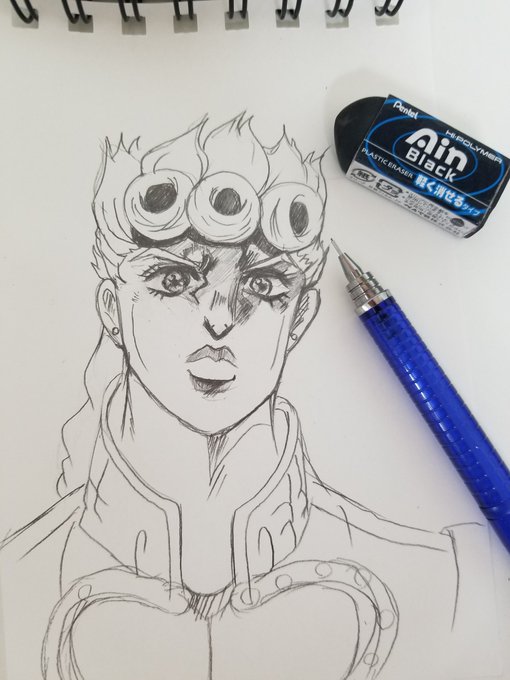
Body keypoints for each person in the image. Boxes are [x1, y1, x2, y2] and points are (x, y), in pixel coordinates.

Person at [0, 115, 482, 680]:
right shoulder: (16, 576)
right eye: (175, 281)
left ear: (300, 316)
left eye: (262, 285)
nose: (220, 320)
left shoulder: (443, 576)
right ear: (112, 309)